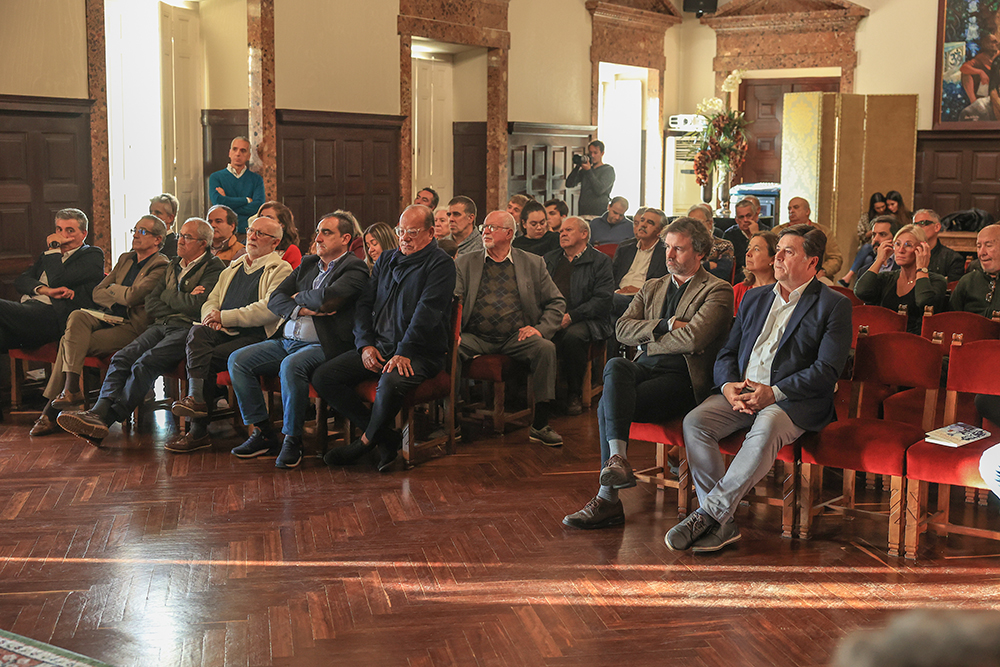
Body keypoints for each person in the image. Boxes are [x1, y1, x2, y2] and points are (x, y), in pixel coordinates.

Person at [666, 224, 852, 552]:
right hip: (744, 391)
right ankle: (722, 523)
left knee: (766, 425)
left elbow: (826, 370)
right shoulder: (754, 298)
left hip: (794, 400)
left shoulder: (832, 304)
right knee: (695, 422)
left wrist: (773, 393)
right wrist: (727, 387)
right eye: (777, 249)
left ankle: (710, 512)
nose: (777, 257)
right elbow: (727, 352)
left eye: (788, 252)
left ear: (812, 263)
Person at [561, 217, 734, 529]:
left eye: (678, 249)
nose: (669, 255)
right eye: (667, 247)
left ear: (699, 253)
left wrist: (649, 339)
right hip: (644, 369)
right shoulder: (653, 286)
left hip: (684, 379)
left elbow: (695, 338)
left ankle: (607, 498)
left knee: (607, 404)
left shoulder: (717, 290)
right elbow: (621, 329)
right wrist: (665, 325)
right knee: (615, 365)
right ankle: (617, 462)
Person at [312, 205, 456, 471]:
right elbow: (363, 306)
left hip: (421, 353)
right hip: (379, 347)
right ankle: (386, 437)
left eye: (412, 232)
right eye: (401, 231)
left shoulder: (441, 264)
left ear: (431, 232)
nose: (404, 238)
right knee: (324, 376)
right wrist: (365, 345)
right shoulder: (387, 260)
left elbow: (427, 313)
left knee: (390, 381)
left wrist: (405, 351)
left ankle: (364, 442)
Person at [56, 218, 226, 444]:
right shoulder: (173, 264)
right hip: (160, 324)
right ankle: (99, 410)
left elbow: (197, 307)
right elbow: (153, 302)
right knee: (122, 357)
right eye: (181, 235)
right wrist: (178, 297)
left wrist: (168, 296)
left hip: (187, 329)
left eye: (187, 237)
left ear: (203, 244)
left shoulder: (214, 267)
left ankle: (108, 419)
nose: (180, 241)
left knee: (145, 362)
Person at [227, 212, 369, 467]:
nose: (318, 238)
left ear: (346, 238)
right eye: (318, 231)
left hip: (323, 345)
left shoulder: (355, 267)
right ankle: (263, 432)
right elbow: (275, 300)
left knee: (291, 366)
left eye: (327, 232)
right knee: (238, 359)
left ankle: (293, 440)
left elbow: (327, 299)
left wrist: (298, 296)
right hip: (287, 340)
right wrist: (302, 307)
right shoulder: (307, 264)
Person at [29, 216, 170, 436]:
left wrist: (113, 290)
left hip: (134, 326)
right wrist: (118, 294)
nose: (135, 234)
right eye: (135, 230)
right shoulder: (126, 258)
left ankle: (51, 410)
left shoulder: (161, 265)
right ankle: (71, 388)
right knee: (77, 316)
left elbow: (134, 297)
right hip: (109, 316)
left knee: (69, 342)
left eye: (142, 231)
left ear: (157, 239)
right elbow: (97, 291)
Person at [165, 216, 292, 452]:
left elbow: (269, 309)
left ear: (275, 243)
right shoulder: (235, 266)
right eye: (251, 230)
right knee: (198, 332)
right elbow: (212, 299)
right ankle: (196, 400)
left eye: (260, 234)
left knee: (209, 360)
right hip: (224, 330)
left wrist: (223, 317)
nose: (251, 237)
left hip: (257, 337)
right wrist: (210, 316)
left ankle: (201, 430)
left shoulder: (281, 269)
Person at [455, 211, 566, 445]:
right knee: (450, 349)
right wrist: (453, 332)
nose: (485, 231)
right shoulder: (465, 262)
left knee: (545, 348)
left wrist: (540, 329)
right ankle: (450, 422)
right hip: (475, 335)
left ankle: (540, 424)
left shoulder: (533, 263)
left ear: (509, 233)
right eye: (483, 226)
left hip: (515, 336)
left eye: (491, 227)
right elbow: (452, 302)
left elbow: (557, 302)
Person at [0, 208, 104, 354]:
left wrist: (54, 248)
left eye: (70, 231)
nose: (62, 236)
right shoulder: (48, 256)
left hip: (56, 317)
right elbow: (21, 281)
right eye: (59, 230)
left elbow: (57, 280)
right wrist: (45, 290)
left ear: (83, 234)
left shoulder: (92, 255)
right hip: (30, 313)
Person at [543, 217, 614, 415]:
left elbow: (603, 299)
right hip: (553, 316)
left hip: (588, 320)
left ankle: (572, 393)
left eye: (568, 230)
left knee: (572, 337)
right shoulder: (550, 259)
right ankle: (539, 395)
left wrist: (571, 316)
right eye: (561, 231)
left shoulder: (600, 261)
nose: (562, 234)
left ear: (584, 234)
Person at [855, 224, 947, 334]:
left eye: (908, 245)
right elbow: (861, 292)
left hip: (915, 342)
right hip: (883, 338)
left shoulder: (937, 280)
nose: (901, 250)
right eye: (897, 244)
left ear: (921, 250)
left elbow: (924, 301)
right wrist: (879, 260)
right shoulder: (887, 278)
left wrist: (922, 268)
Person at [611, 208, 668, 319]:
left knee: (606, 300)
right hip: (618, 293)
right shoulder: (625, 247)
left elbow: (665, 285)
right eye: (642, 220)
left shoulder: (665, 252)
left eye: (650, 223)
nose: (643, 225)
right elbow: (611, 276)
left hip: (642, 299)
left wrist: (639, 291)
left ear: (660, 231)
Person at [773, 197, 843, 283]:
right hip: (782, 276)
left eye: (796, 207)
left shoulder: (822, 231)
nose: (791, 211)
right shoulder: (777, 231)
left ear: (807, 211)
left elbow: (836, 258)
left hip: (814, 277)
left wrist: (823, 270)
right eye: (789, 208)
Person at [208, 136, 266, 235]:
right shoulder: (216, 177)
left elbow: (257, 207)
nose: (238, 153)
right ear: (230, 153)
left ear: (248, 156)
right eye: (235, 149)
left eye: (243, 151)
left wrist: (226, 201)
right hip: (223, 233)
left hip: (248, 231)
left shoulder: (256, 179)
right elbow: (218, 202)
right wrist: (246, 200)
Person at [952, 224, 1000, 316]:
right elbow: (952, 320)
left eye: (989, 245)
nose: (982, 253)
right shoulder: (967, 281)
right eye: (978, 246)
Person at [840, 214, 901, 286]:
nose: (875, 239)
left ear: (895, 239)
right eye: (874, 234)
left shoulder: (904, 268)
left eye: (882, 234)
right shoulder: (863, 271)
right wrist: (879, 260)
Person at [913, 208, 966, 282]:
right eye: (915, 224)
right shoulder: (908, 253)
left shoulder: (952, 258)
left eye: (922, 223)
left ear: (937, 227)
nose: (917, 228)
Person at [566, 140, 615, 216]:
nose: (592, 155)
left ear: (602, 153)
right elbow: (569, 184)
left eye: (595, 153)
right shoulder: (585, 170)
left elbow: (599, 189)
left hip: (599, 212)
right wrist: (578, 166)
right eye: (590, 152)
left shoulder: (608, 170)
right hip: (583, 211)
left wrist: (589, 170)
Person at [733, 231, 778, 314]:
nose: (748, 254)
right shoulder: (738, 290)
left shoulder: (783, 292)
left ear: (773, 259)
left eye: (756, 249)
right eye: (749, 248)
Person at [688, 203, 734, 281]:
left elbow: (721, 274)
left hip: (714, 288)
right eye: (690, 224)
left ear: (710, 223)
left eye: (698, 223)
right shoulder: (685, 245)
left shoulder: (724, 245)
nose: (694, 228)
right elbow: (681, 269)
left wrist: (696, 267)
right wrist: (708, 265)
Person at [724, 198, 762, 283]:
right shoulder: (729, 235)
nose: (745, 220)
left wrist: (755, 235)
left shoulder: (767, 232)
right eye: (741, 217)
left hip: (762, 277)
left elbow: (766, 259)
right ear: (736, 220)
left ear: (756, 216)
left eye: (748, 216)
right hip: (739, 280)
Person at [256, 201, 302, 269]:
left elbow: (296, 277)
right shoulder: (253, 245)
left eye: (269, 218)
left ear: (282, 224)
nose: (263, 221)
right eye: (261, 217)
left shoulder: (291, 250)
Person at [150, 193, 180, 258]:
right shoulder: (144, 239)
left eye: (158, 213)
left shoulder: (175, 245)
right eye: (151, 212)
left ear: (170, 218)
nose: (152, 216)